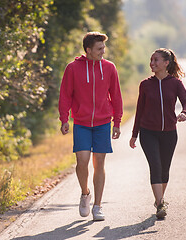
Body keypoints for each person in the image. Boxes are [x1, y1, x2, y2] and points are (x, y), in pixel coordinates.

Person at [58, 32, 123, 221]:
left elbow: (116, 96)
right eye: (99, 48)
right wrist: (64, 119)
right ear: (88, 50)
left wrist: (117, 121)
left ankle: (98, 206)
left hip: (103, 122)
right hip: (81, 122)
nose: (103, 51)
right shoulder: (72, 68)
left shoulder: (110, 68)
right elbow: (65, 95)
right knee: (82, 162)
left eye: (104, 48)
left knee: (99, 163)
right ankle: (85, 193)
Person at [129, 48, 186, 219]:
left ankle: (159, 200)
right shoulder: (145, 85)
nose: (152, 63)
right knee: (155, 166)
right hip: (148, 133)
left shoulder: (176, 83)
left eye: (156, 60)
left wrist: (184, 113)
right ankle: (161, 205)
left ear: (166, 63)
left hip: (169, 133)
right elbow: (139, 110)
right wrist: (134, 134)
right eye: (151, 60)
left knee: (164, 170)